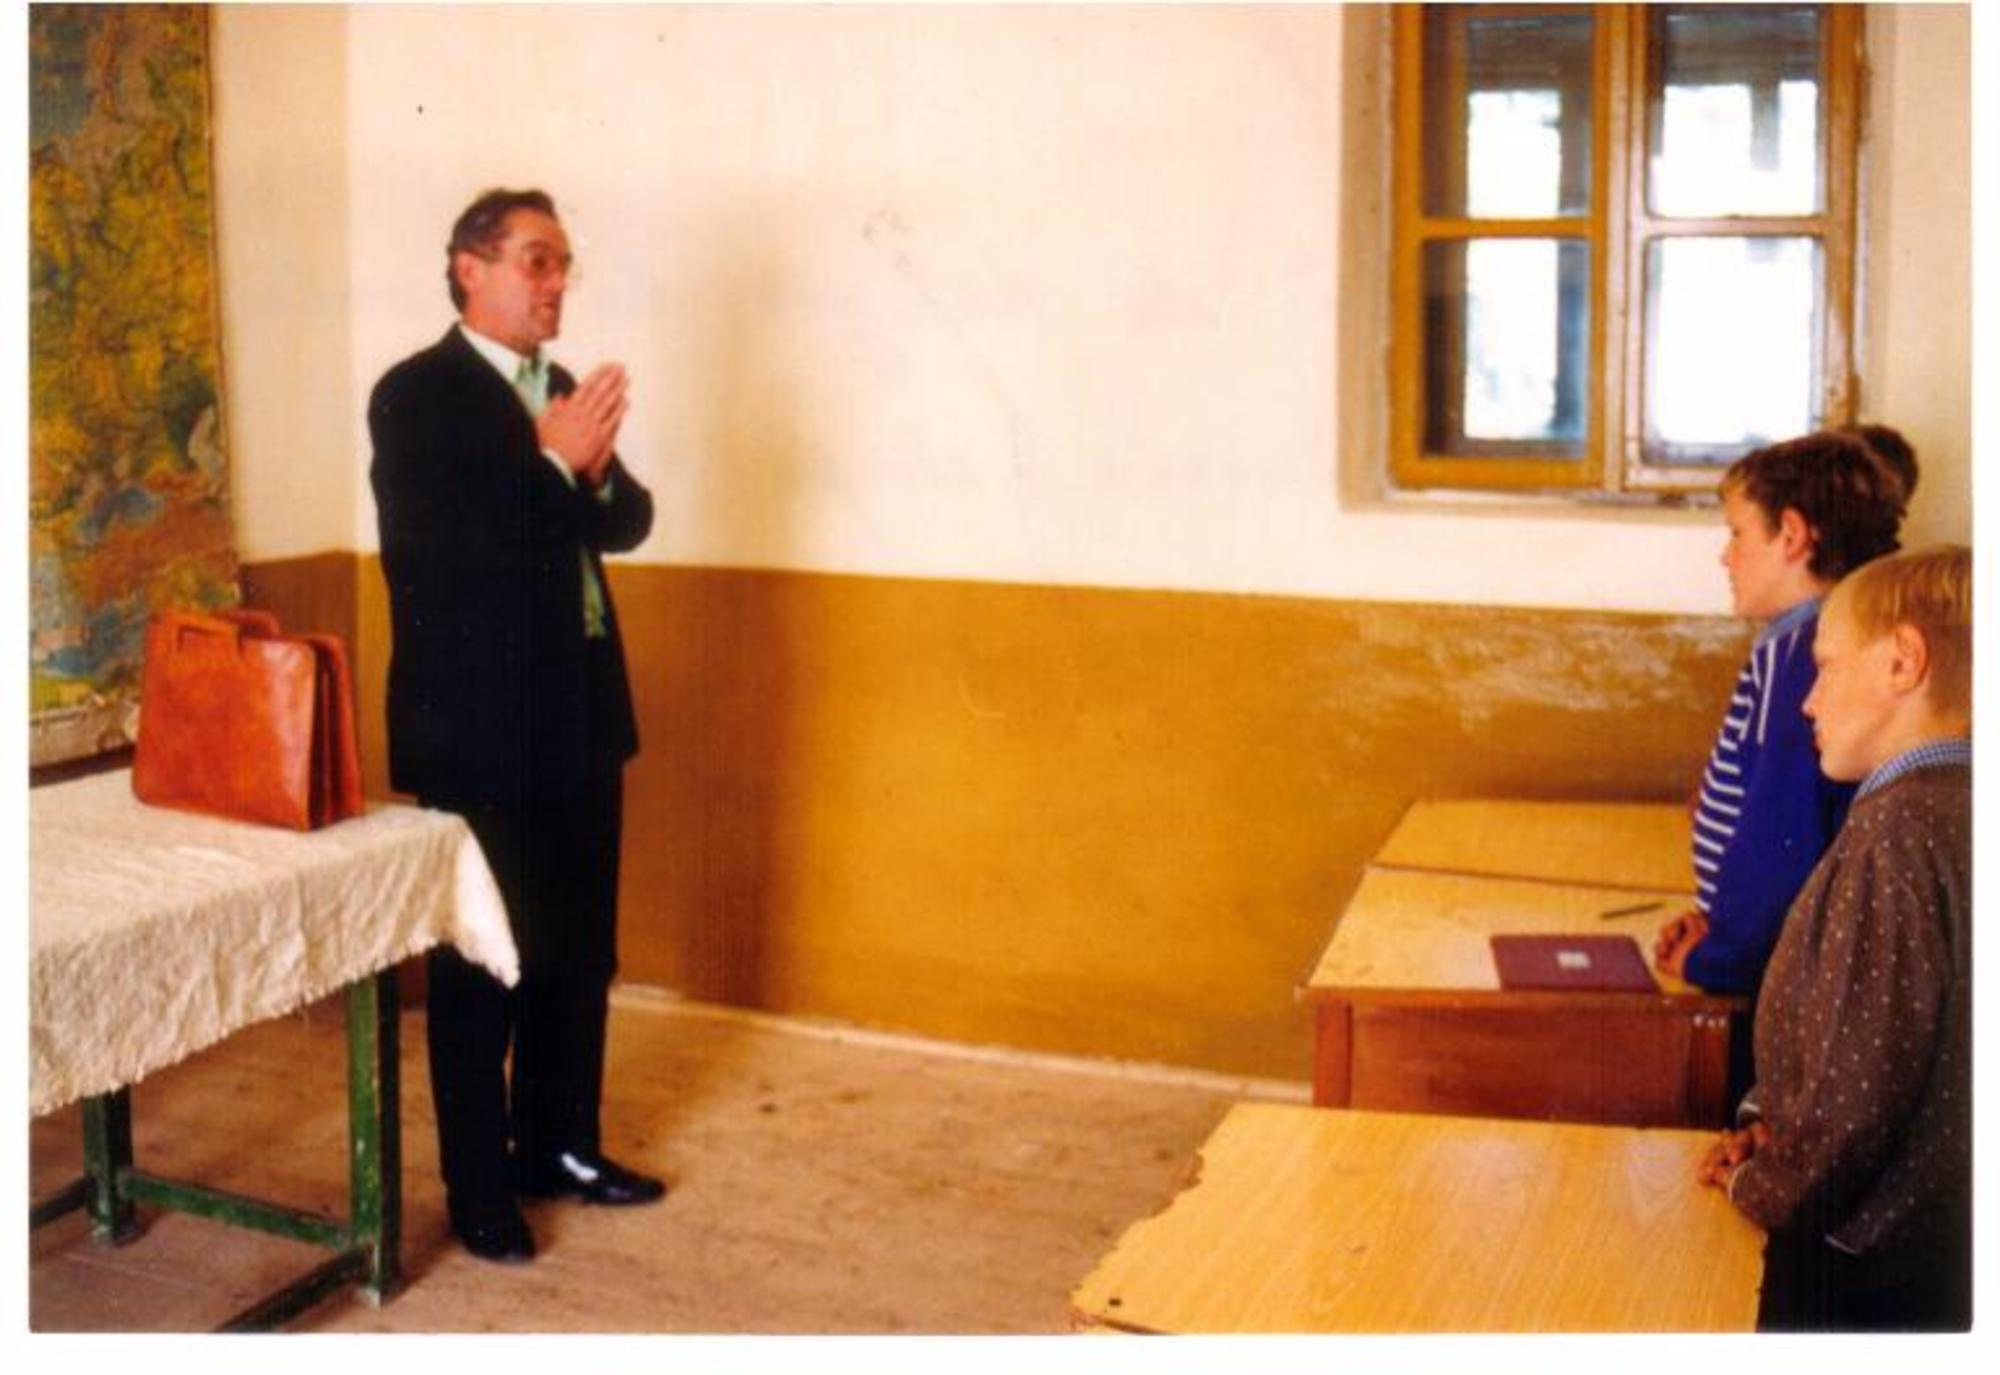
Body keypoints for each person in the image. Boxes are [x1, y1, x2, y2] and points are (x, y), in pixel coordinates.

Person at [370, 188, 664, 1264]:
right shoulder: (417, 395)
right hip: (480, 733)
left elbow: (626, 521)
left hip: (579, 720)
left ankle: (559, 1148)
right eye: (536, 260)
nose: (556, 284)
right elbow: (441, 561)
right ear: (469, 267)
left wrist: (588, 467)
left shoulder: (560, 387)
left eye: (563, 264)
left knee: (577, 953)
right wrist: (548, 466)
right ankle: (480, 1188)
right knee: (486, 965)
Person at [1698, 545, 1970, 1331]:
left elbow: (1854, 1098)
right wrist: (1774, 1130)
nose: (1809, 702)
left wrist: (1762, 1180)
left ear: (1902, 662)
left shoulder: (1896, 834)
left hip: (1867, 1271)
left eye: (1824, 669)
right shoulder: (1954, 807)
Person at [1651, 428, 1913, 1095]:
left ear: (1792, 536)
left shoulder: (1805, 653)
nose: (1726, 555)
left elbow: (1781, 837)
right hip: (1761, 951)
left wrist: (1718, 957)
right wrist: (1719, 919)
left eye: (1738, 533)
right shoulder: (1804, 640)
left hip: (1769, 976)